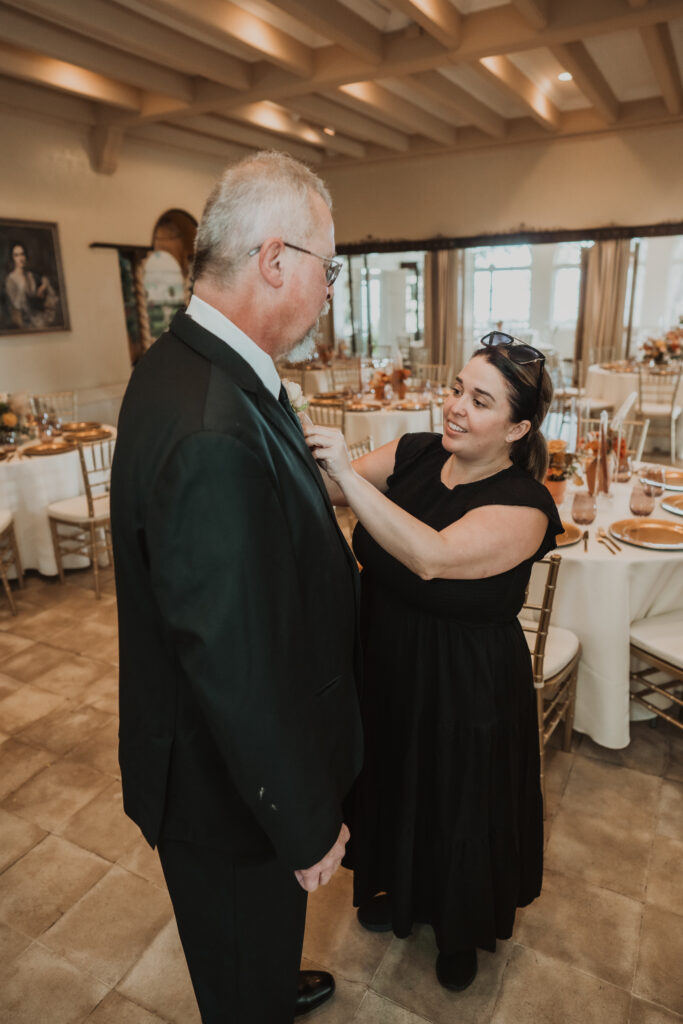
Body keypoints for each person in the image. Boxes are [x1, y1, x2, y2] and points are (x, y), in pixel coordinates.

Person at [110, 151, 363, 1024]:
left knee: (253, 950)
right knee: (239, 982)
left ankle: (263, 976)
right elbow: (232, 658)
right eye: (329, 266)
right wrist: (300, 817)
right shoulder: (212, 421)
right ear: (275, 260)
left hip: (215, 765)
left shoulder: (183, 363)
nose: (331, 286)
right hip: (225, 792)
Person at [302, 333, 562, 992]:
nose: (454, 407)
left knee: (457, 804)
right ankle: (403, 893)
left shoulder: (525, 505)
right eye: (454, 389)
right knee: (395, 784)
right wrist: (292, 439)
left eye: (479, 401)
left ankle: (458, 928)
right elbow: (334, 497)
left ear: (517, 427)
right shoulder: (415, 452)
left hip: (465, 683)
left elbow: (432, 557)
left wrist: (343, 471)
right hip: (386, 660)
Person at [4, 241, 58, 329]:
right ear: (12, 258)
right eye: (16, 255)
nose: (20, 258)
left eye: (22, 254)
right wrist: (22, 283)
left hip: (38, 317)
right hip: (24, 321)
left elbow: (37, 298)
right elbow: (17, 305)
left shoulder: (31, 275)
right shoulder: (10, 279)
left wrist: (42, 289)